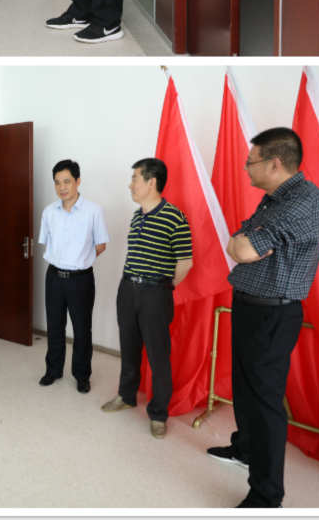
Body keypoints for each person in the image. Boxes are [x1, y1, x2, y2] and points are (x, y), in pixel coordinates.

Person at [206, 128, 319, 509]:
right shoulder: (274, 200)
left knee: (265, 400)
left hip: (274, 312)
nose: (246, 168)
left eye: (250, 162)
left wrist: (247, 241)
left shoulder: (305, 201)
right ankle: (245, 448)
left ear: (274, 163)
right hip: (249, 306)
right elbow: (238, 240)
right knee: (244, 388)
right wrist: (247, 241)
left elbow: (242, 249)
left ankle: (267, 494)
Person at [101, 158, 193, 438]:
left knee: (158, 355)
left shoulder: (175, 217)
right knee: (129, 347)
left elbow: (185, 262)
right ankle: (126, 396)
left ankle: (158, 413)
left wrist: (162, 286)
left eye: (135, 179)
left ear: (151, 182)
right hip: (128, 289)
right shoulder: (137, 216)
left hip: (156, 293)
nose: (131, 185)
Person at [38, 159, 109, 393]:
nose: (62, 187)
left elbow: (101, 245)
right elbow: (47, 242)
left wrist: (80, 260)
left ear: (78, 181)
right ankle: (53, 370)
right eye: (57, 182)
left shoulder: (94, 211)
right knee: (54, 327)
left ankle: (82, 375)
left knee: (82, 330)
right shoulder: (49, 212)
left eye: (67, 181)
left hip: (81, 279)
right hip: (54, 278)